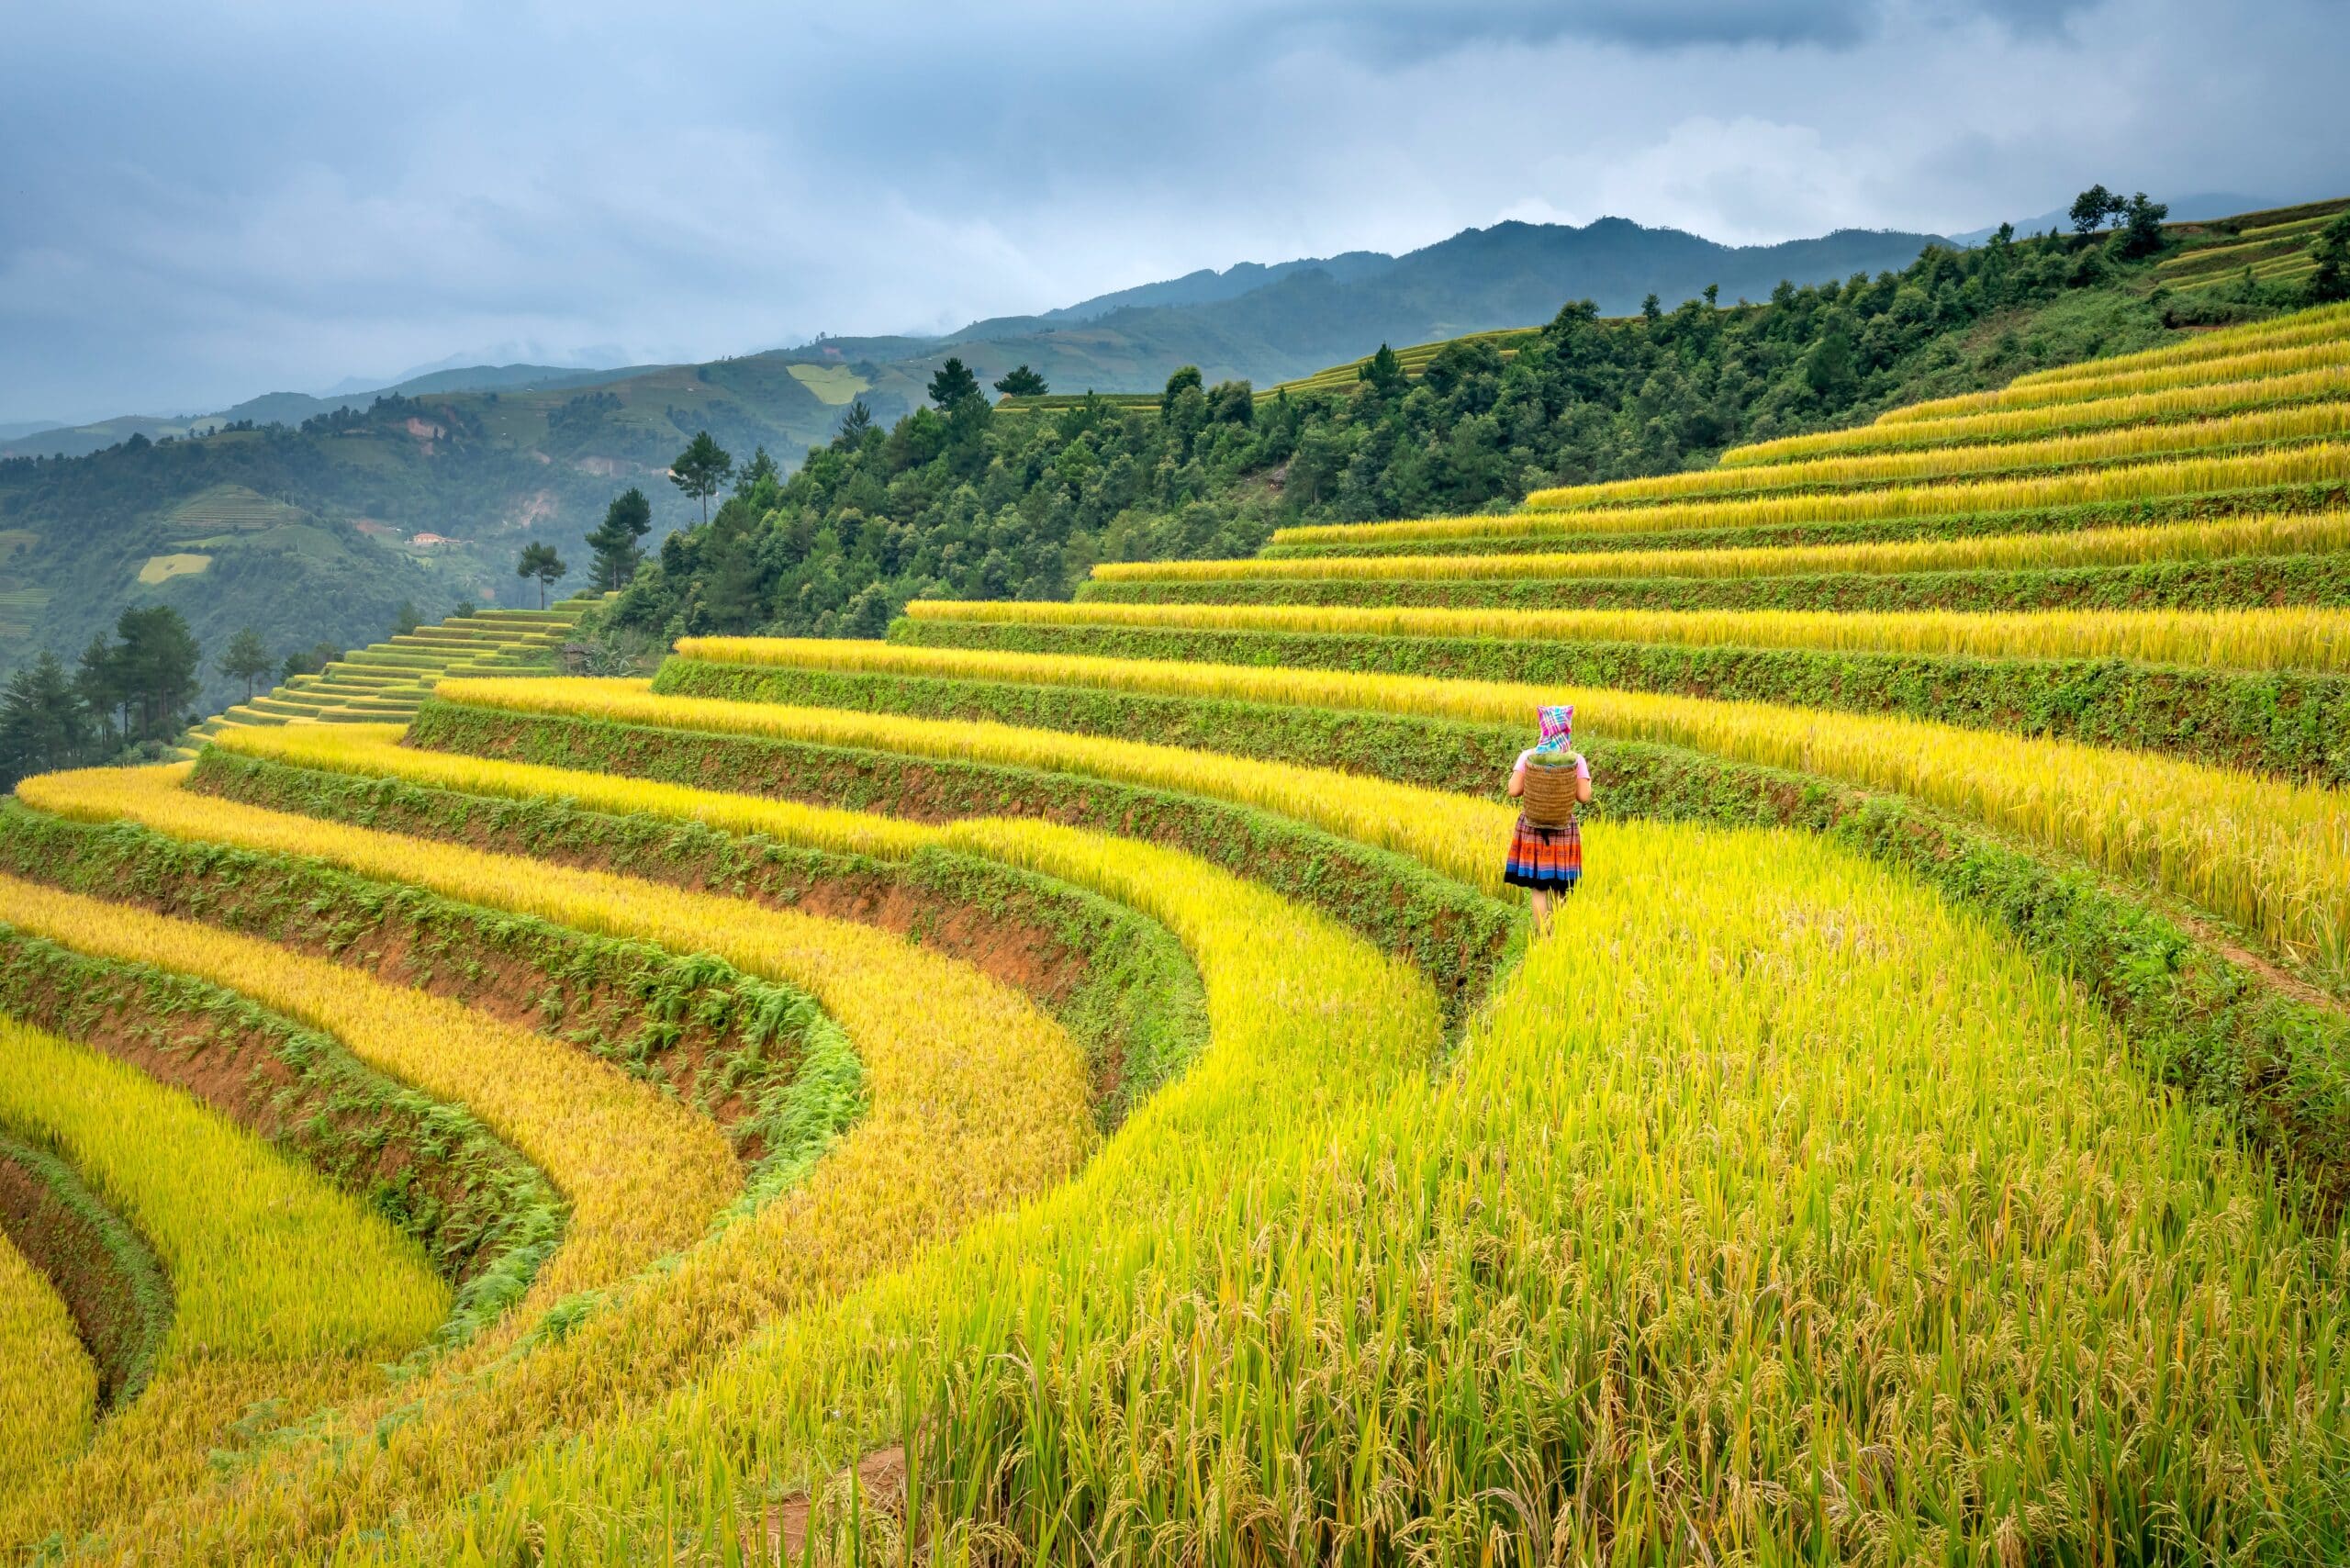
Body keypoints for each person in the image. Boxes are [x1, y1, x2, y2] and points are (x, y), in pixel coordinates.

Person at [1504, 703, 1591, 937]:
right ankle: (1559, 934)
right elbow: (1584, 796)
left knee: (1539, 887)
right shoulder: (1576, 759)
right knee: (1561, 886)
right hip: (1563, 829)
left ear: (1544, 727)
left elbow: (1513, 790)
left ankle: (1544, 938)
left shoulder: (1528, 756)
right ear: (1566, 729)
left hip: (1533, 827)